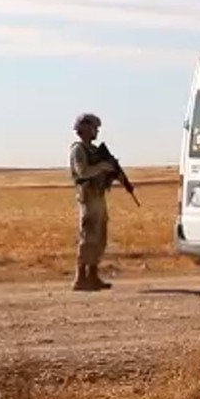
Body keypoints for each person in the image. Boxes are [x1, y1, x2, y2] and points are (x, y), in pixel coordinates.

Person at [70, 113, 122, 291]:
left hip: (99, 198)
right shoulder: (79, 150)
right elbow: (83, 172)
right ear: (84, 129)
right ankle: (80, 277)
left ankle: (92, 275)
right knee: (88, 238)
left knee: (99, 238)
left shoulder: (93, 150)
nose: (96, 131)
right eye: (93, 128)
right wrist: (101, 166)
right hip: (88, 198)